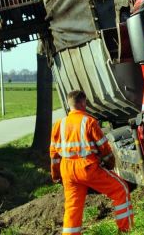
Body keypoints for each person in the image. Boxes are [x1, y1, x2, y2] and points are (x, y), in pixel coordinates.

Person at [50, 90, 133, 233]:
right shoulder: (89, 122)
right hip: (87, 168)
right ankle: (125, 229)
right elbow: (104, 149)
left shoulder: (59, 124)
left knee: (72, 206)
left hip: (67, 170)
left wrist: (56, 175)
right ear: (83, 103)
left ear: (69, 105)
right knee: (121, 189)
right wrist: (109, 164)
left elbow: (54, 154)